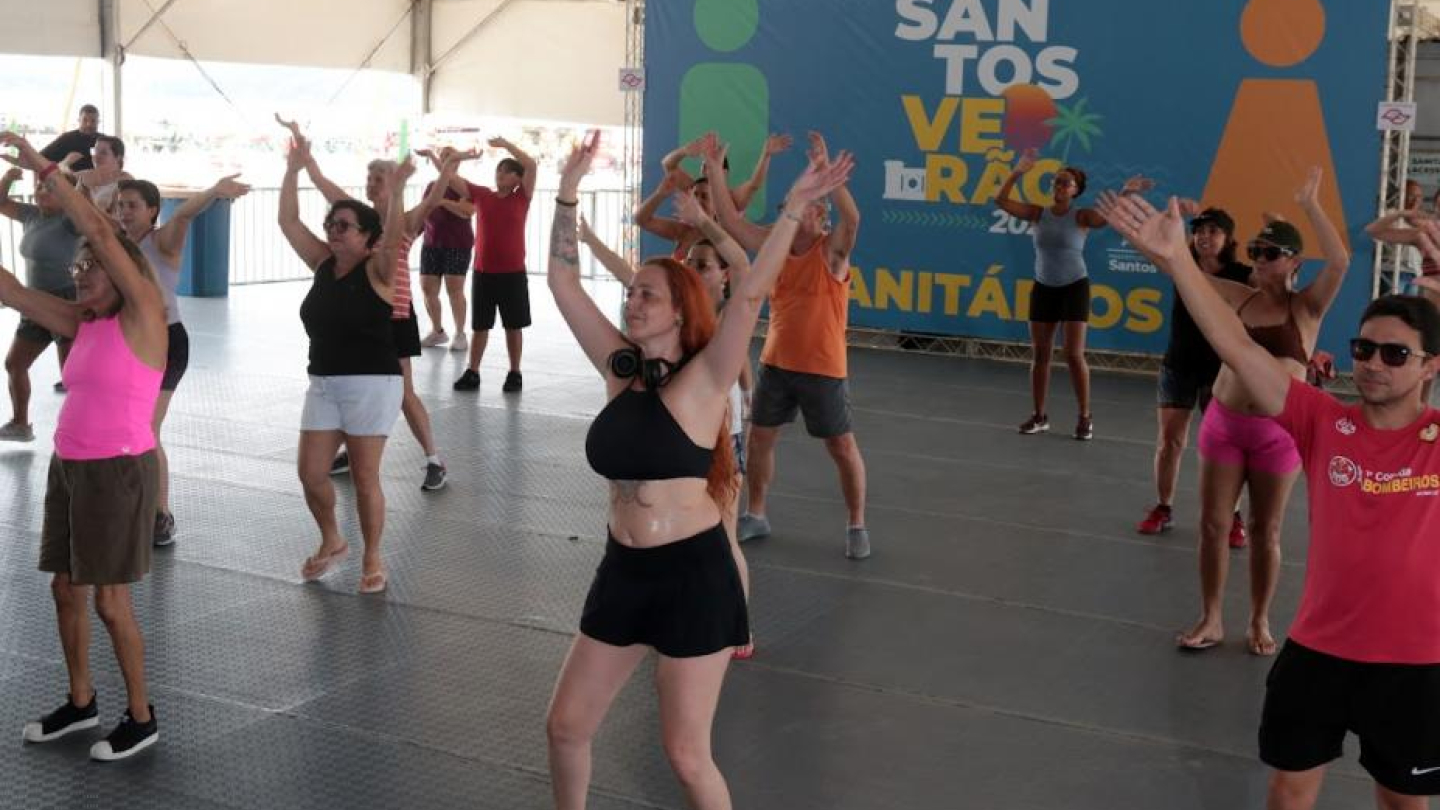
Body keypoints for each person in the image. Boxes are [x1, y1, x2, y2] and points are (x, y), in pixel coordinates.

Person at [544, 129, 853, 810]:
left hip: (692, 578)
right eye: (631, 293)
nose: (632, 303)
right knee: (565, 728)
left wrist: (794, 208)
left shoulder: (706, 377)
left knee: (686, 756)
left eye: (648, 296)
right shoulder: (620, 369)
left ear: (682, 309)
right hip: (622, 572)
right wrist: (566, 191)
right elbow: (563, 281)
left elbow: (749, 296)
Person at [1102, 187, 1440, 810]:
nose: (1373, 364)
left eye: (1395, 354)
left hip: (1417, 662)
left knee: (1403, 803)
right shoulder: (1322, 421)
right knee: (1286, 794)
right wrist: (1177, 261)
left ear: (1429, 368)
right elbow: (1235, 346)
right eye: (1364, 349)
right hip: (1318, 651)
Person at [3, 132, 168, 761]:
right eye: (75, 269)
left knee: (109, 602)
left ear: (120, 272)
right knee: (64, 589)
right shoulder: (82, 322)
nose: (78, 275)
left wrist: (46, 168)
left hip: (117, 471)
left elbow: (99, 231)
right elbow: (12, 291)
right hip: (69, 467)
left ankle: (142, 716)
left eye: (88, 267)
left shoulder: (142, 315)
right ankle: (81, 702)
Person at [1156, 170, 1350, 656]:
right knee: (1212, 526)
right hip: (1224, 423)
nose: (1259, 260)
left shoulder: (1308, 308)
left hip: (1277, 433)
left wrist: (1310, 203)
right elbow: (1182, 271)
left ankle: (1259, 620)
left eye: (1270, 253)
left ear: (1294, 262)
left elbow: (1340, 260)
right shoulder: (1238, 296)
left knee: (1267, 531)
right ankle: (1211, 617)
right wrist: (1164, 235)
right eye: (1256, 252)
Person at [579, 197, 756, 660]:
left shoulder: (719, 309)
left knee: (725, 530)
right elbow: (626, 273)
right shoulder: (666, 301)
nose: (694, 269)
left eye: (704, 264)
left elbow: (746, 279)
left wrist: (704, 223)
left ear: (722, 276)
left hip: (714, 426)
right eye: (690, 262)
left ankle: (735, 623)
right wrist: (590, 241)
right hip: (668, 426)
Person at [709, 132, 872, 559]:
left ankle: (856, 523)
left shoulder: (832, 252)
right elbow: (730, 222)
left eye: (816, 207)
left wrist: (828, 174)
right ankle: (756, 514)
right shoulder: (774, 244)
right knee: (760, 439)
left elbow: (853, 220)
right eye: (802, 205)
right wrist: (713, 170)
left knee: (841, 447)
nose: (808, 211)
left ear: (822, 219)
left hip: (824, 368)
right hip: (777, 364)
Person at [280, 116, 466, 491]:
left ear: (393, 182)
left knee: (403, 393)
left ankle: (434, 458)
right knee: (351, 379)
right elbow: (321, 182)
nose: (371, 183)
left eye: (378, 178)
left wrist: (446, 168)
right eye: (369, 178)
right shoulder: (356, 219)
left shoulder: (404, 221)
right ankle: (353, 449)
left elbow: (432, 200)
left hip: (395, 317)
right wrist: (300, 151)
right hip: (360, 316)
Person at [278, 137, 408, 594]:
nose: (334, 231)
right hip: (324, 382)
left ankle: (372, 556)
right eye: (331, 224)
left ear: (367, 237)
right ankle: (333, 539)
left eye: (344, 226)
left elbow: (394, 236)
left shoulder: (378, 270)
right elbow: (288, 221)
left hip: (372, 383)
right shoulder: (321, 264)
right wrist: (293, 169)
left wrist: (399, 191)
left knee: (364, 476)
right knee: (311, 473)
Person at [114, 175, 252, 545]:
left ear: (152, 210)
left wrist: (214, 191)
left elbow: (185, 215)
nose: (125, 212)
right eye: (121, 205)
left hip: (166, 342)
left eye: (133, 206)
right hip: (128, 341)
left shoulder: (163, 241)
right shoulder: (116, 243)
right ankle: (130, 503)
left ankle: (161, 513)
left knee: (146, 428)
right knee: (126, 427)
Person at [996, 148, 1152, 439]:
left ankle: (1084, 417)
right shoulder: (1038, 213)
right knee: (1041, 354)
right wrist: (1017, 173)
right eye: (1056, 181)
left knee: (1073, 354)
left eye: (1065, 182)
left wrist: (1126, 192)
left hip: (1074, 287)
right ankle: (1039, 416)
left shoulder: (1081, 216)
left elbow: (1107, 217)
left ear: (1076, 190)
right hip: (1043, 288)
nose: (1059, 185)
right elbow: (1001, 201)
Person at [1136, 206, 1252, 546]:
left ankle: (1233, 516)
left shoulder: (1242, 275)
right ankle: (1163, 508)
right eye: (1200, 230)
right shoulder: (1180, 263)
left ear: (1228, 239)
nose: (1204, 236)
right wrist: (1161, 213)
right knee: (1169, 441)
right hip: (1179, 365)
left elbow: (1275, 294)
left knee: (1226, 448)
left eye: (1213, 231)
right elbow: (1152, 242)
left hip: (1222, 371)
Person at [0, 167, 81, 441]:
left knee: (71, 377)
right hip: (33, 304)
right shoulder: (31, 215)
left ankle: (77, 433)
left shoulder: (70, 221)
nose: (42, 191)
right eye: (40, 186)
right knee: (14, 364)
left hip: (64, 301)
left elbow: (90, 219)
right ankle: (20, 424)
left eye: (50, 187)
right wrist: (7, 179)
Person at [453, 137, 538, 394]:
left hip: (512, 274)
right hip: (484, 273)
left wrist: (506, 145)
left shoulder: (521, 197)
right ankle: (473, 371)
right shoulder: (482, 195)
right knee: (480, 326)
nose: (500, 174)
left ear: (518, 179)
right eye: (499, 169)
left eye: (507, 171)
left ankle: (515, 372)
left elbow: (531, 165)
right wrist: (450, 159)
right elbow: (452, 179)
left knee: (513, 326)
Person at [637, 132, 792, 257]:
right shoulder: (693, 193)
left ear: (724, 172)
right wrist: (684, 151)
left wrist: (766, 155)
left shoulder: (731, 203)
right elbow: (668, 165)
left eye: (712, 164)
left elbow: (754, 185)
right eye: (705, 165)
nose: (707, 170)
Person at [1366, 206, 1440, 405]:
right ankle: (1422, 417)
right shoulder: (1425, 235)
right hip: (1431, 314)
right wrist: (1401, 214)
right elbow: (1374, 231)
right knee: (1425, 372)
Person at [415, 147, 476, 353]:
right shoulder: (432, 186)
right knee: (427, 288)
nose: (446, 161)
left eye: (450, 158)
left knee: (454, 289)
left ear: (458, 162)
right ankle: (437, 330)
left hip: (457, 244)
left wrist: (441, 200)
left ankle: (460, 333)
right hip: (431, 243)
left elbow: (467, 212)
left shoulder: (464, 187)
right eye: (443, 157)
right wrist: (411, 235)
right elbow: (424, 212)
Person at [72, 136, 131, 217]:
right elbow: (63, 178)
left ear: (118, 157)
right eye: (95, 151)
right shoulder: (88, 174)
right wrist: (65, 163)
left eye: (103, 153)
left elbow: (117, 222)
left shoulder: (125, 184)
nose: (96, 156)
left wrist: (86, 194)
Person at [39, 104, 101, 173]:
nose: (88, 124)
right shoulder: (66, 138)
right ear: (79, 120)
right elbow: (39, 158)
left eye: (93, 121)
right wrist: (64, 164)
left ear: (98, 122)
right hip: (69, 179)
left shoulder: (104, 141)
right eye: (85, 120)